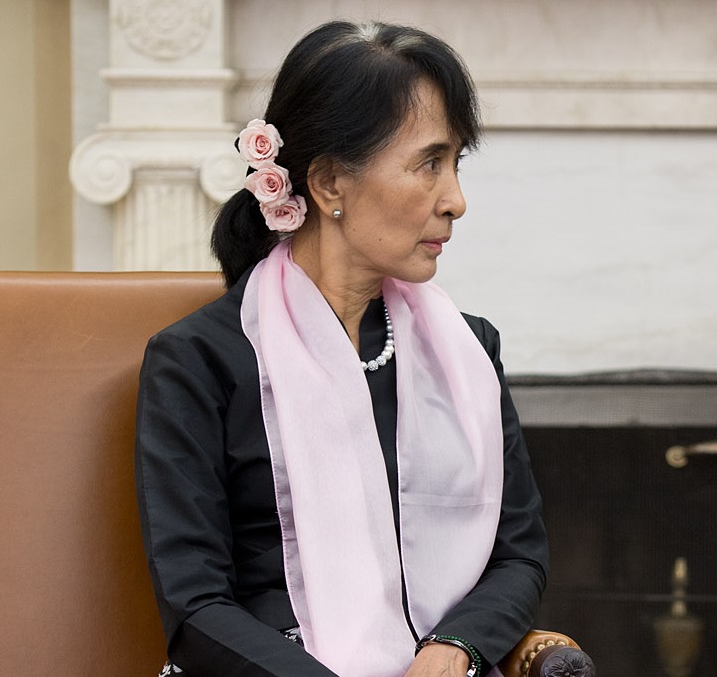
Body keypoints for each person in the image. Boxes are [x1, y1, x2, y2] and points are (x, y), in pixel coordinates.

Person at [134, 20, 547, 677]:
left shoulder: (468, 349)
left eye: (456, 162)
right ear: (329, 184)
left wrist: (455, 648)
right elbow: (194, 605)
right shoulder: (199, 362)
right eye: (428, 163)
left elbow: (517, 554)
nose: (456, 201)